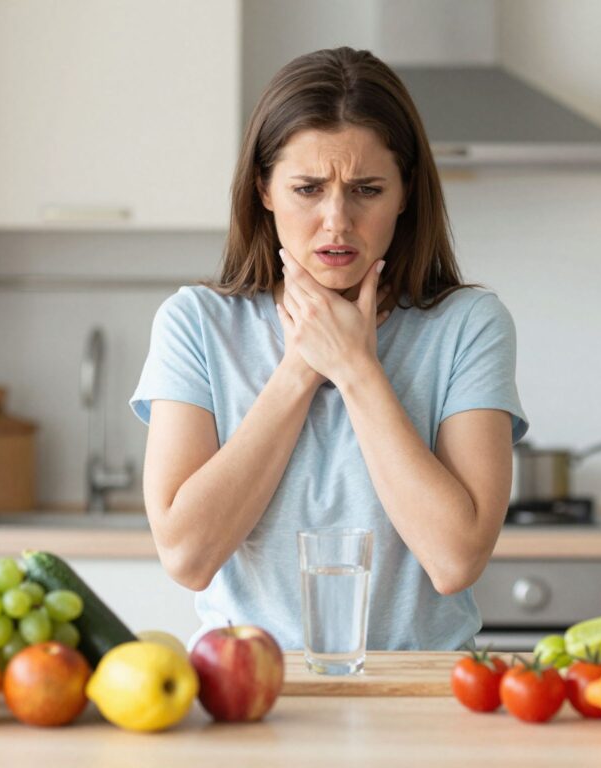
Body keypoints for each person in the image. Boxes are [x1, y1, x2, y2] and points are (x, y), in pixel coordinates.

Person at [129, 47, 528, 651]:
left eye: (367, 189)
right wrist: (300, 367)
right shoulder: (195, 323)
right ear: (264, 188)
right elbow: (187, 556)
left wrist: (356, 368)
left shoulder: (469, 325)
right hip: (249, 687)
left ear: (405, 193)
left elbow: (455, 561)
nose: (337, 220)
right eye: (308, 188)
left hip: (421, 690)